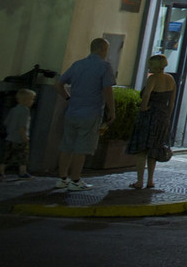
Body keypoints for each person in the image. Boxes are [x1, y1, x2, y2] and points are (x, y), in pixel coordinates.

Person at [55, 37, 116, 192]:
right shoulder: (105, 67)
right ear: (102, 49)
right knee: (82, 148)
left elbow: (58, 84)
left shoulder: (78, 64)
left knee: (67, 145)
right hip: (91, 112)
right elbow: (108, 90)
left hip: (73, 111)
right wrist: (112, 110)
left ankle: (62, 179)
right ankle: (76, 180)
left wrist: (68, 98)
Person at [127, 53, 177, 189]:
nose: (148, 66)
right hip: (162, 116)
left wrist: (143, 109)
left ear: (154, 65)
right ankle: (150, 180)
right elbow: (172, 102)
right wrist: (167, 115)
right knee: (154, 149)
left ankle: (139, 181)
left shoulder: (153, 78)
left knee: (142, 149)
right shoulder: (170, 79)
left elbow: (147, 95)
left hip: (150, 115)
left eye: (150, 64)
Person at [0, 88, 35, 180]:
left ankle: (0, 171)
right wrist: (25, 137)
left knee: (7, 155)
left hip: (10, 137)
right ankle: (22, 172)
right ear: (26, 101)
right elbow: (22, 126)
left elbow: (6, 123)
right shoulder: (25, 111)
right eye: (32, 99)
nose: (33, 101)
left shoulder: (13, 109)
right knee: (23, 156)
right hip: (20, 138)